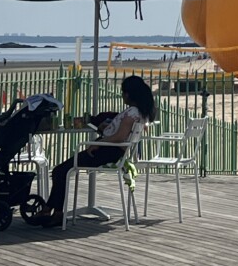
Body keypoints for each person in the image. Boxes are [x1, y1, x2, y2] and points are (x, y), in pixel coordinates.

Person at [34, 75, 154, 227]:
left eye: (123, 92)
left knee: (60, 171)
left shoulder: (132, 113)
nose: (122, 95)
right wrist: (106, 128)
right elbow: (119, 134)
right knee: (62, 170)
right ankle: (52, 211)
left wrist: (97, 144)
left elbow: (120, 137)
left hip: (106, 152)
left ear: (128, 94)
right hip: (111, 151)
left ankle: (51, 211)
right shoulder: (140, 113)